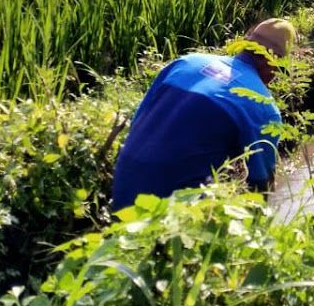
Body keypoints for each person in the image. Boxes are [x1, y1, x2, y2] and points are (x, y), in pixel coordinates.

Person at [111, 18, 297, 210]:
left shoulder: (185, 62)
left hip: (124, 180)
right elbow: (260, 186)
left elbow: (138, 121)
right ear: (272, 63)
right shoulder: (262, 105)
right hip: (173, 207)